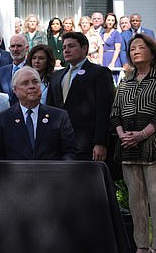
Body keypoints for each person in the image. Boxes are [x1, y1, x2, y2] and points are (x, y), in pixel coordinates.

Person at [111, 34, 156, 253]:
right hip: (129, 150)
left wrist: (141, 134)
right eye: (132, 48)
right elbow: (115, 113)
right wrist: (122, 135)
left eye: (141, 47)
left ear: (153, 52)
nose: (135, 50)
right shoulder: (126, 80)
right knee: (136, 201)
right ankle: (141, 248)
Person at [47, 32, 114, 161]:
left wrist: (100, 142)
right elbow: (51, 110)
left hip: (86, 145)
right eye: (64, 47)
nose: (66, 50)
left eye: (71, 46)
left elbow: (104, 110)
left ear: (84, 49)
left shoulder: (99, 73)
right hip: (60, 145)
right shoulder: (56, 76)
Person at [0, 67, 76, 160]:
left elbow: (70, 152)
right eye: (25, 83)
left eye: (35, 82)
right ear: (15, 89)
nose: (32, 86)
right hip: (15, 173)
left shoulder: (59, 117)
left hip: (51, 173)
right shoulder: (2, 119)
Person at [0, 34, 29, 101]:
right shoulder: (2, 72)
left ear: (27, 48)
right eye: (13, 46)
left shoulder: (32, 70)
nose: (15, 49)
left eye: (19, 46)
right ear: (9, 49)